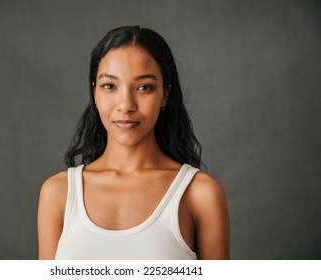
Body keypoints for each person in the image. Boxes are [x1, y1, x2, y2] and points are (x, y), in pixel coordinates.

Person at [37, 26, 230, 260]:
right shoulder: (58, 193)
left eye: (144, 87)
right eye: (109, 86)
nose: (126, 104)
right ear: (94, 93)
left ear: (165, 95)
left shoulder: (200, 194)